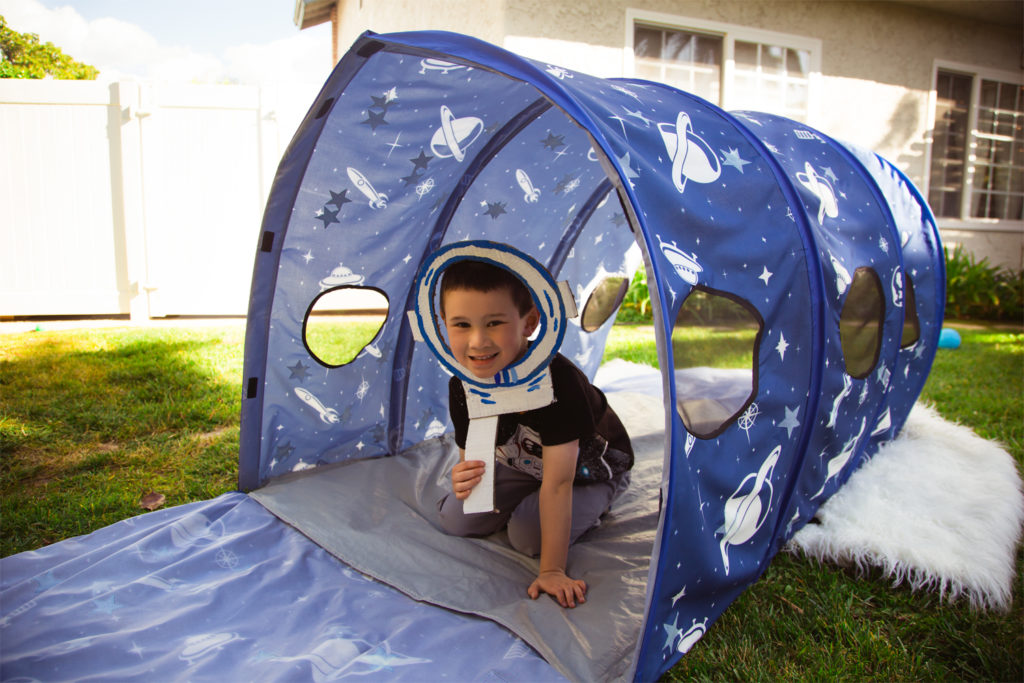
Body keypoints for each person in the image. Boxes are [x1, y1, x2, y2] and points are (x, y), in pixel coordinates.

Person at [436, 259, 633, 609]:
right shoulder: (461, 385)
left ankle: (607, 493)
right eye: (462, 325)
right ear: (443, 327)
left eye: (494, 323)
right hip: (523, 465)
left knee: (528, 537)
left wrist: (553, 570)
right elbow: (475, 464)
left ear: (528, 323)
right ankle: (525, 499)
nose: (478, 342)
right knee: (456, 518)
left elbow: (558, 484)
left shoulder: (558, 384)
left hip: (584, 472)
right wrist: (464, 478)